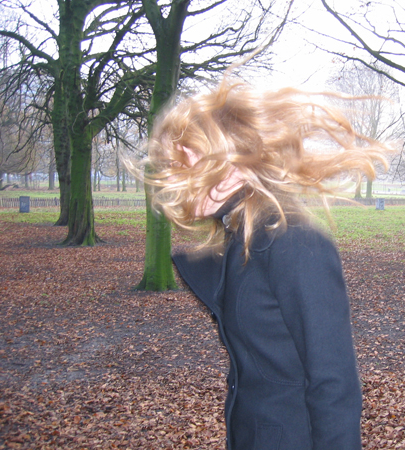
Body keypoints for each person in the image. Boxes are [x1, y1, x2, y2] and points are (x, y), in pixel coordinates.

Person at [138, 79, 387, 450]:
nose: (172, 178)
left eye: (181, 163)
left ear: (232, 163)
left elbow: (334, 385)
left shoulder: (297, 244)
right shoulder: (242, 239)